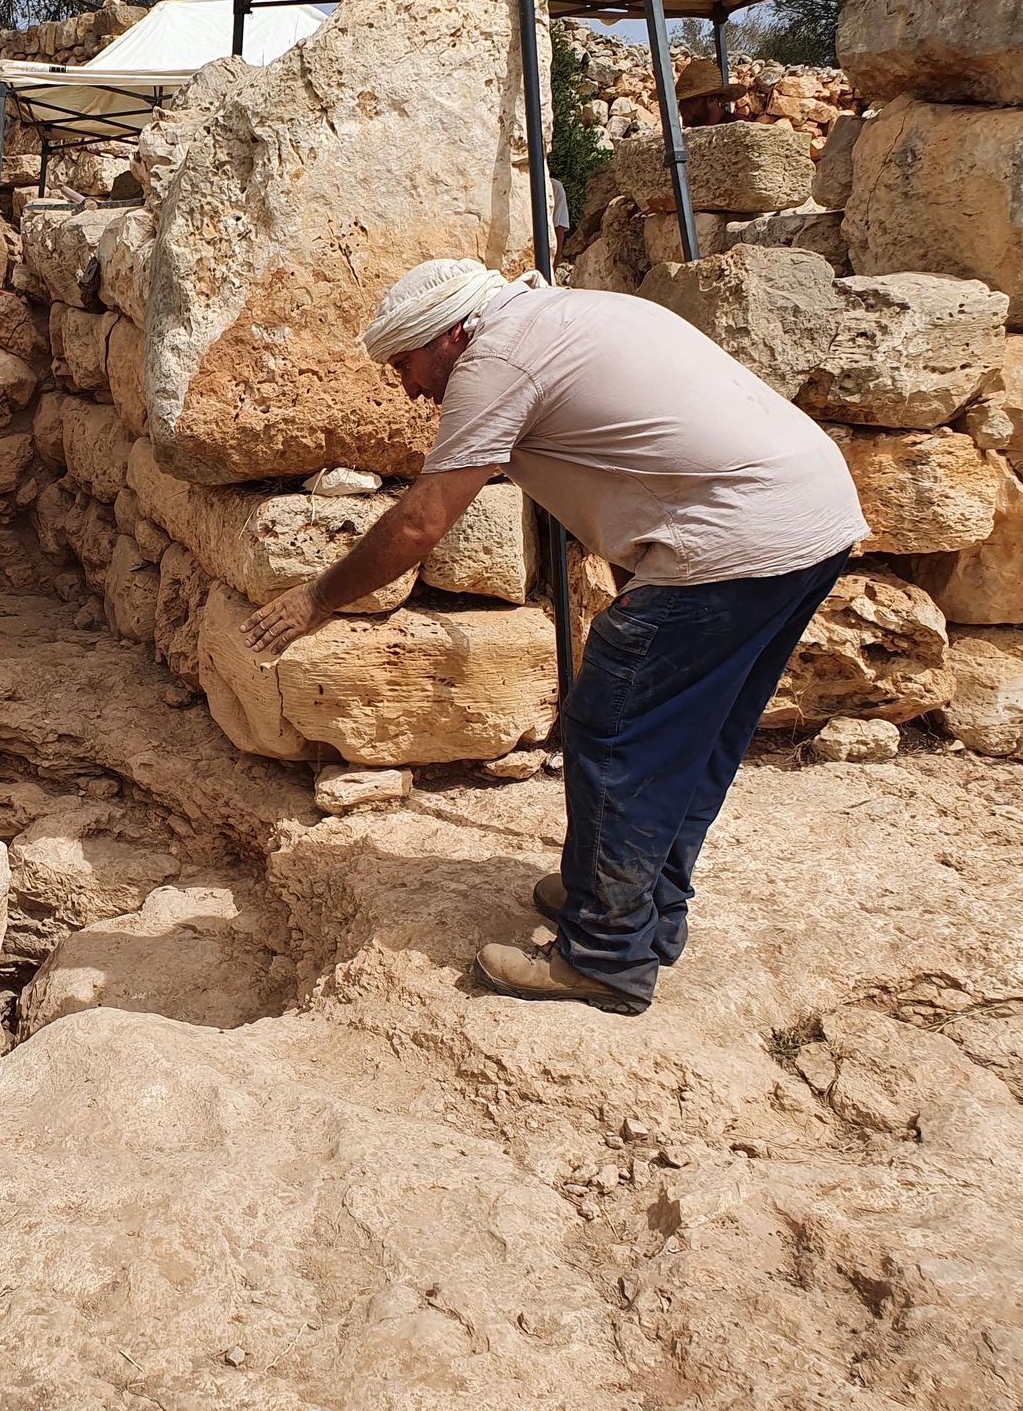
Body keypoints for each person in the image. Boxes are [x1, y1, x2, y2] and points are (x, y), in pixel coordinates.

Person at [240, 260, 868, 1016]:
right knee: (696, 736)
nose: (408, 389)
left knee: (616, 730)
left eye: (406, 365)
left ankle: (605, 954)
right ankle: (636, 903)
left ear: (450, 336)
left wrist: (318, 597)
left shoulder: (494, 359)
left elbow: (419, 524)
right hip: (810, 520)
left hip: (734, 538)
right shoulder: (563, 315)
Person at [675, 57, 744, 129]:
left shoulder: (740, 128)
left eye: (689, 100)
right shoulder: (693, 135)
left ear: (711, 98)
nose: (681, 107)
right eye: (681, 100)